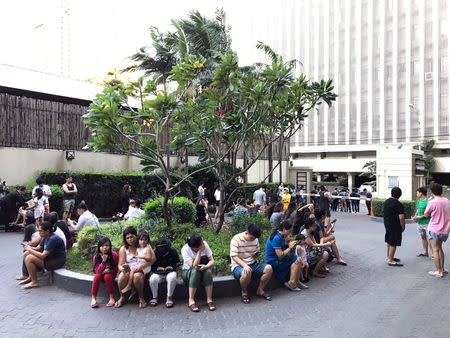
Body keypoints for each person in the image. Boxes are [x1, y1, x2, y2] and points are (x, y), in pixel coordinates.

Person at [230, 223, 273, 304]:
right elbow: (234, 256)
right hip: (238, 266)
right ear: (247, 232)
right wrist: (245, 265)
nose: (252, 240)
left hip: (253, 263)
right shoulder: (236, 239)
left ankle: (260, 290)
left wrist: (256, 254)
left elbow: (256, 253)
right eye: (251, 238)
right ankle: (244, 292)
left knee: (269, 268)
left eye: (254, 238)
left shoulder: (255, 239)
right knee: (246, 271)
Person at [115, 226, 155, 308]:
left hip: (142, 268)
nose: (130, 239)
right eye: (127, 238)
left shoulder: (143, 244)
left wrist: (142, 265)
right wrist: (122, 269)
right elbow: (120, 264)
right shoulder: (123, 249)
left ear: (136, 236)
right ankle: (122, 297)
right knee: (122, 276)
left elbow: (153, 259)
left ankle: (141, 298)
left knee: (137, 276)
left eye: (131, 237)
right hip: (129, 269)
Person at [20, 221, 66, 289]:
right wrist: (28, 247)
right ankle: (30, 277)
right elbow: (37, 248)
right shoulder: (45, 236)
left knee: (29, 258)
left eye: (40, 231)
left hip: (56, 262)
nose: (39, 233)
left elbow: (42, 255)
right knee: (26, 253)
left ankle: (34, 282)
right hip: (49, 258)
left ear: (47, 231)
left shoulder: (53, 239)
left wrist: (29, 249)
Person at [181, 234, 216, 312]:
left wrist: (206, 266)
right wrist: (200, 251)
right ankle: (191, 300)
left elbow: (212, 260)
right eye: (196, 249)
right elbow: (194, 265)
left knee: (208, 272)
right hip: (188, 272)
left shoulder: (204, 244)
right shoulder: (185, 249)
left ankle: (209, 299)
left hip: (202, 269)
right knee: (195, 271)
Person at [265, 221, 303, 291]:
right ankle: (291, 283)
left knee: (298, 258)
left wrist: (289, 244)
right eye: (290, 231)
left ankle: (296, 281)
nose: (290, 233)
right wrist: (290, 247)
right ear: (284, 229)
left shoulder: (281, 235)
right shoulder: (276, 238)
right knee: (297, 260)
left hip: (278, 259)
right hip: (273, 262)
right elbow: (280, 255)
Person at [423, 183, 450, 278]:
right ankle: (442, 269)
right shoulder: (447, 201)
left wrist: (430, 201)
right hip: (444, 230)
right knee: (440, 248)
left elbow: (426, 214)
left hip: (434, 229)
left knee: (435, 250)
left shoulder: (432, 202)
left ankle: (439, 271)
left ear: (432, 192)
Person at [149, 238, 181, 308]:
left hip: (170, 272)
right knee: (152, 279)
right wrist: (157, 268)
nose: (162, 249)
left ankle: (169, 297)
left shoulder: (173, 251)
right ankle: (155, 297)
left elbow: (178, 262)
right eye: (160, 247)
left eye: (164, 247)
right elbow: (151, 265)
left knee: (171, 277)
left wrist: (172, 267)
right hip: (158, 273)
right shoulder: (155, 253)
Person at [120, 231, 153, 296]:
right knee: (131, 272)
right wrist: (134, 257)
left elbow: (149, 258)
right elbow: (136, 257)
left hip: (145, 266)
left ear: (148, 240)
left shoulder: (148, 248)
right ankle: (133, 289)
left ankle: (129, 286)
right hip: (139, 264)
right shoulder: (138, 248)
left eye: (145, 240)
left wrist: (140, 257)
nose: (143, 242)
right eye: (141, 240)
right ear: (138, 240)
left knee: (133, 272)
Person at [91, 237, 118, 308]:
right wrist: (103, 262)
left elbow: (116, 269)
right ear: (99, 247)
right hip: (100, 275)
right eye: (102, 246)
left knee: (107, 276)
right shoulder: (96, 257)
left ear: (110, 246)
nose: (104, 248)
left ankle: (112, 298)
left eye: (107, 245)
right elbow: (97, 271)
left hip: (110, 275)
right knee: (97, 276)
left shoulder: (114, 255)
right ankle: (93, 298)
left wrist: (110, 271)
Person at [383, 187, 405, 267]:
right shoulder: (398, 204)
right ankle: (390, 260)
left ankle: (389, 256)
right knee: (393, 242)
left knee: (389, 240)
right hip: (395, 225)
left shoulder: (387, 201)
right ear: (400, 195)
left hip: (387, 224)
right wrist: (403, 227)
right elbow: (401, 218)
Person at [412, 187, 430, 257]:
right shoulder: (419, 201)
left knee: (430, 238)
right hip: (420, 223)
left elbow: (427, 214)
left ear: (421, 193)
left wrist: (418, 217)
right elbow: (418, 209)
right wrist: (415, 216)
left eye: (417, 192)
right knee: (423, 237)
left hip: (427, 223)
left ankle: (434, 254)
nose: (416, 194)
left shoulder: (428, 202)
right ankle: (425, 252)